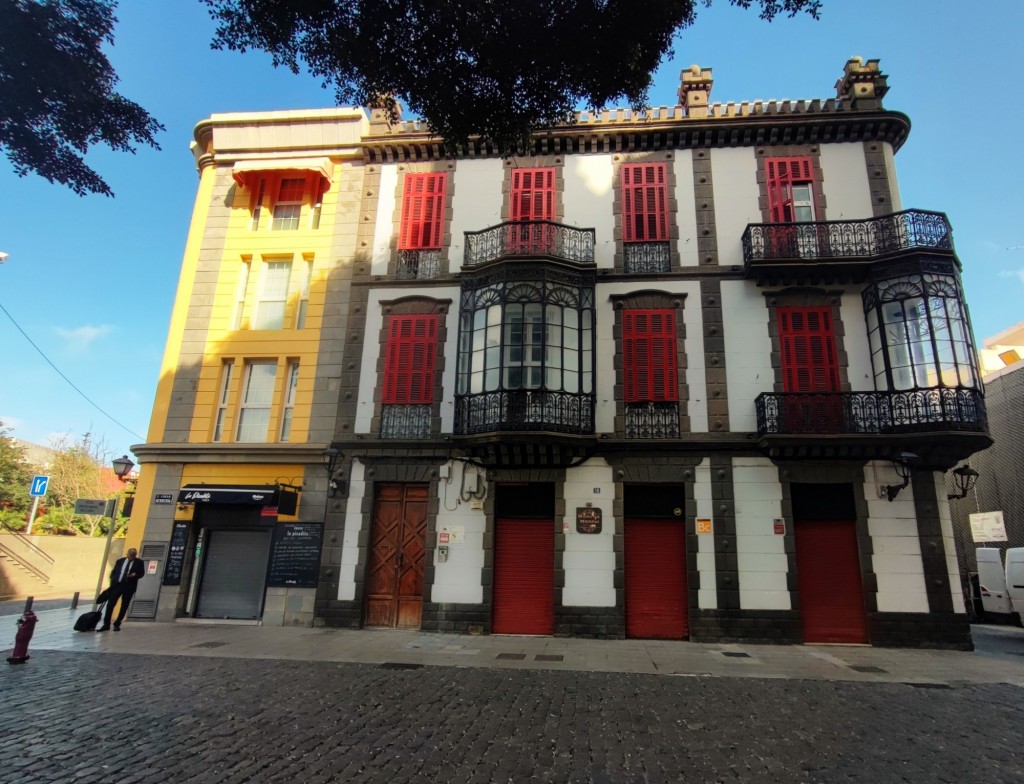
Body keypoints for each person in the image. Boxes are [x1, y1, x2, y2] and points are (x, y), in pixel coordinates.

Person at [97, 548, 145, 632]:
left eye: (133, 556)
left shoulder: (139, 562)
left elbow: (141, 574)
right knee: (110, 604)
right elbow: (114, 572)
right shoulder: (120, 561)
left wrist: (135, 575)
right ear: (127, 554)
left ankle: (117, 623)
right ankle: (106, 624)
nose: (131, 558)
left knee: (124, 606)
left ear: (135, 555)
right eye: (130, 556)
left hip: (129, 587)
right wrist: (113, 582)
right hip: (117, 585)